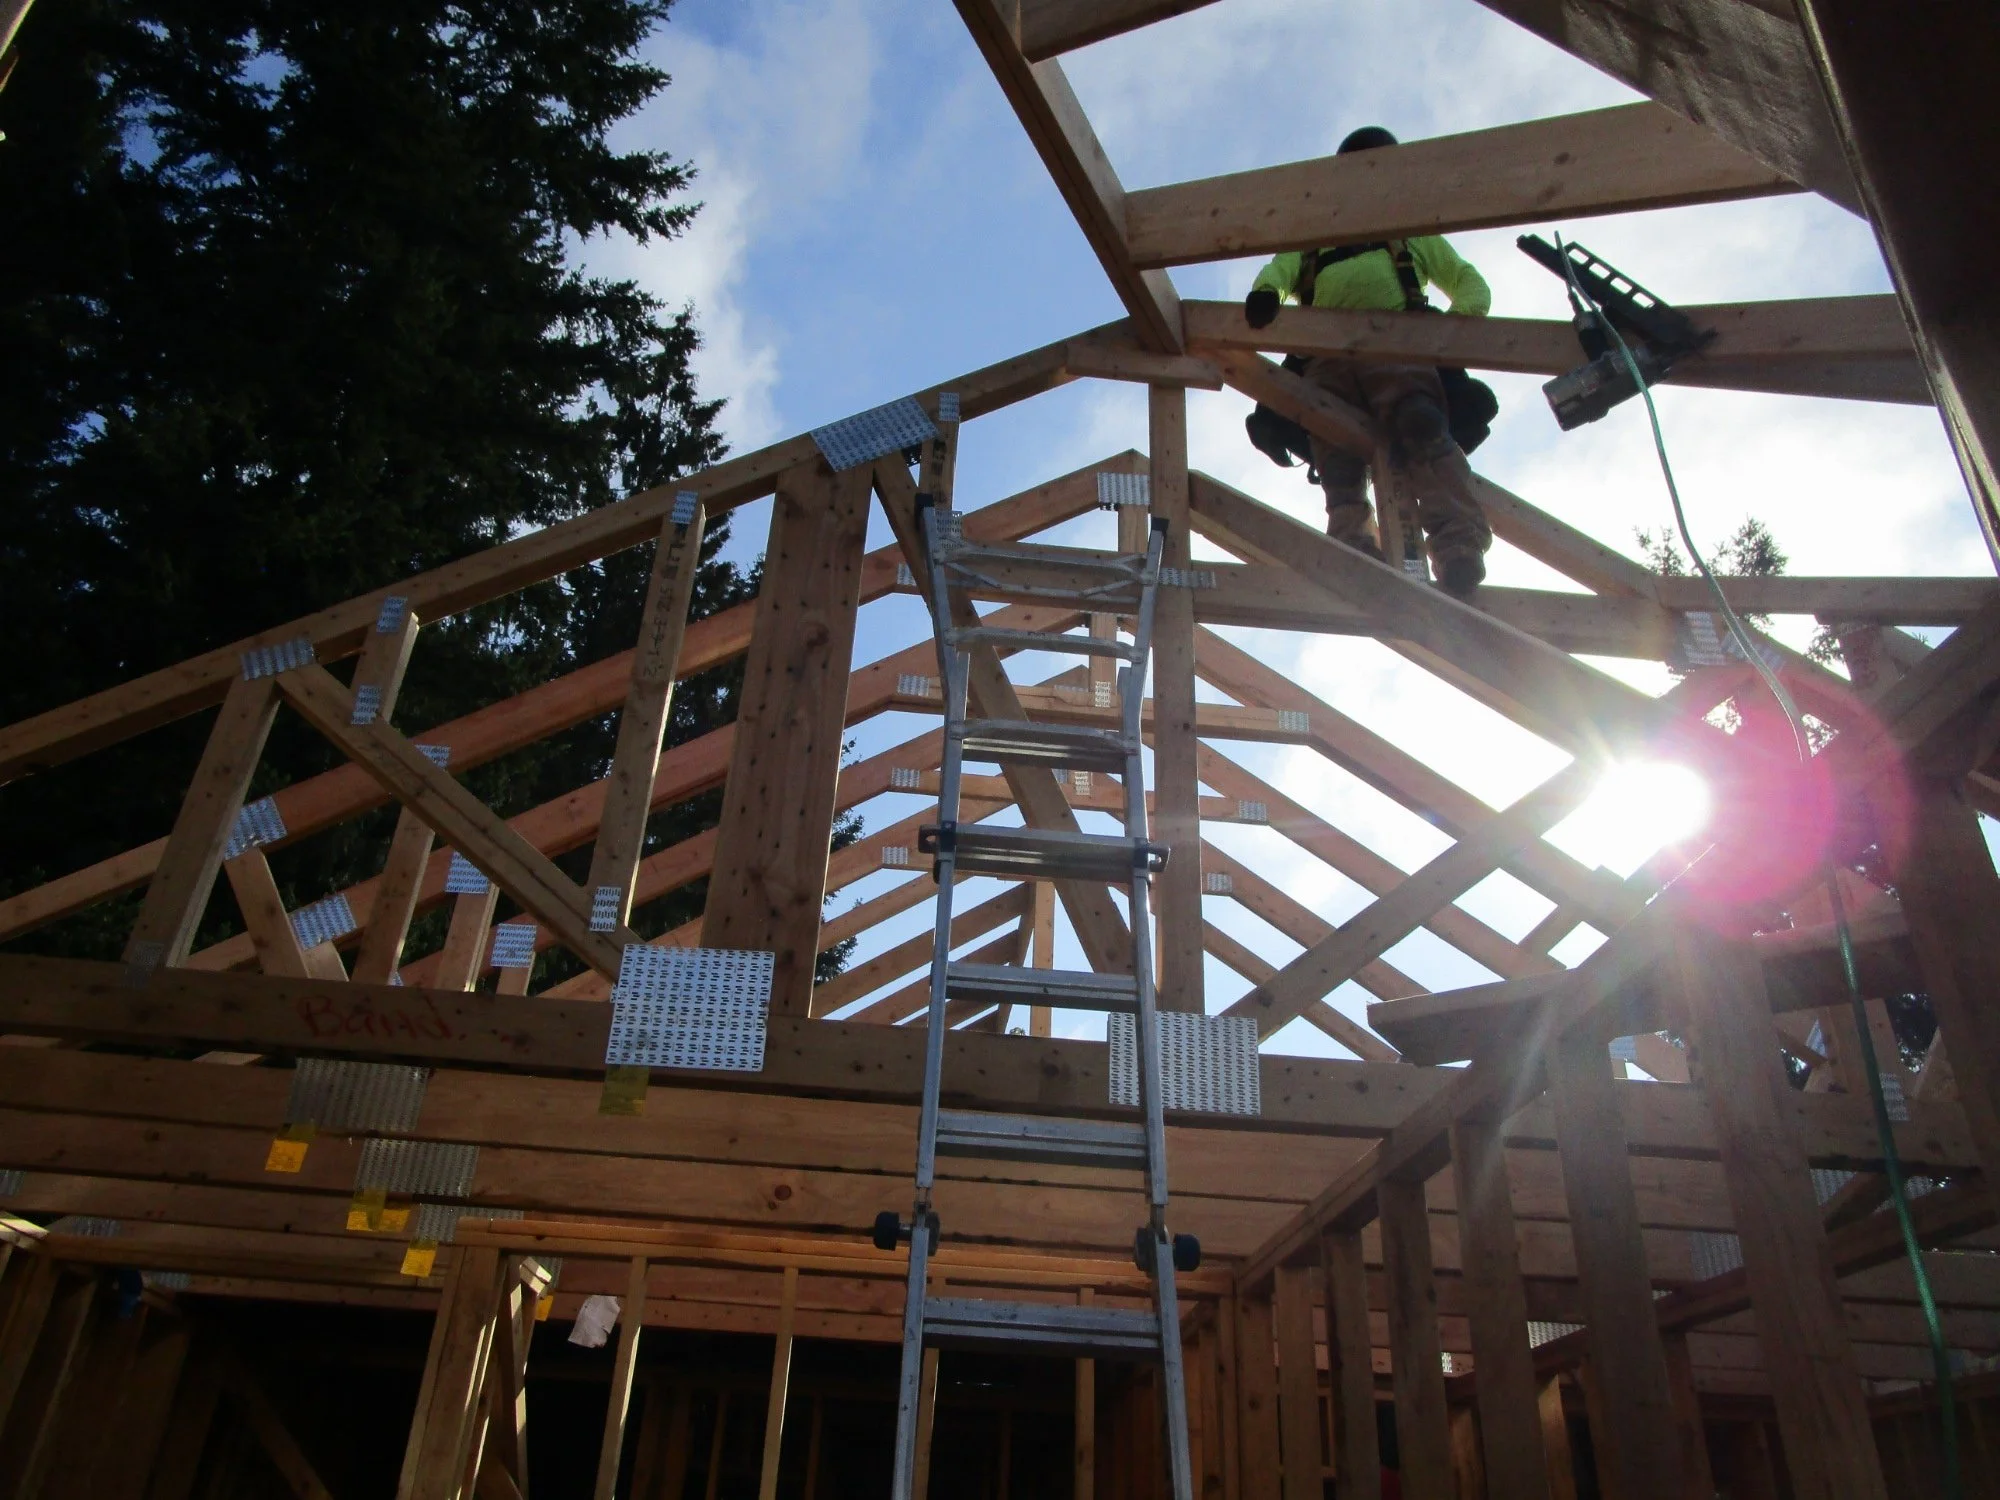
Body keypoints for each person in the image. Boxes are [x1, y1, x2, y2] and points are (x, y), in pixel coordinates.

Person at [1243, 125, 1495, 594]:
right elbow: (1280, 272)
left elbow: (1467, 282)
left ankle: (1457, 545)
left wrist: (1451, 329)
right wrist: (1264, 295)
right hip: (1325, 360)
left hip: (1396, 348)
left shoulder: (1407, 234)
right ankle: (1353, 545)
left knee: (1420, 423)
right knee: (1336, 450)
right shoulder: (1314, 238)